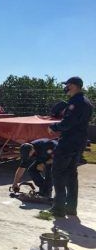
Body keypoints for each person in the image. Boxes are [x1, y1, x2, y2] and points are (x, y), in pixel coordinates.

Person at [44, 77, 93, 217]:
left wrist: (54, 127)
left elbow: (68, 123)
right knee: (71, 175)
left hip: (68, 142)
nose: (66, 87)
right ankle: (71, 208)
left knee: (58, 173)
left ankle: (58, 208)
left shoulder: (76, 102)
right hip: (79, 142)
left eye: (68, 85)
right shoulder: (87, 101)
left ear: (74, 86)